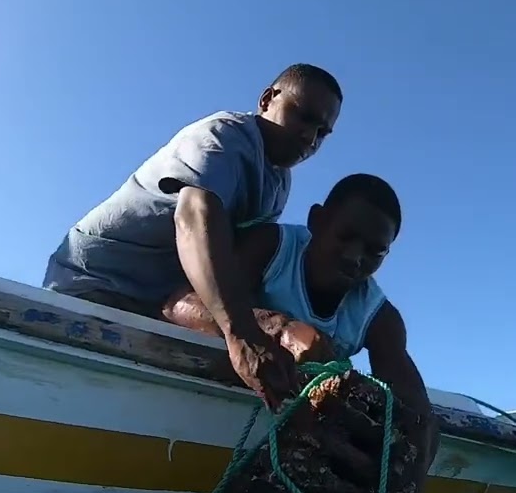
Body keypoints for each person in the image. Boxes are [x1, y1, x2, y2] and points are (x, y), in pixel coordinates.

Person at [43, 63, 342, 407]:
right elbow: (195, 219)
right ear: (267, 99)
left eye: (322, 132)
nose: (310, 137)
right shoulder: (224, 135)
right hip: (95, 283)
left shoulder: (279, 184)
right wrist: (243, 333)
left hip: (158, 303)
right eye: (303, 117)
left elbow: (240, 264)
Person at [163, 174, 438, 485]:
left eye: (374, 252)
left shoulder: (379, 317)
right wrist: (278, 328)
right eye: (345, 236)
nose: (353, 257)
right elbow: (179, 304)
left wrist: (418, 445)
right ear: (317, 220)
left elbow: (413, 408)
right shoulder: (272, 248)